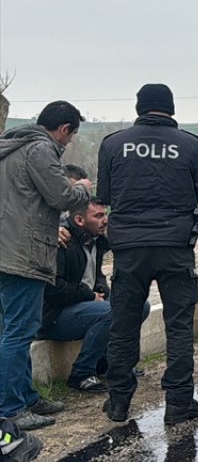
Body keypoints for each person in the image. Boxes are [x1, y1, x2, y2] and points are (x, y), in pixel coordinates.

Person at [99, 84, 198, 426]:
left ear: (139, 107)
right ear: (171, 108)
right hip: (175, 248)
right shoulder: (193, 146)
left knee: (123, 326)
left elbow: (104, 194)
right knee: (179, 326)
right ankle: (179, 403)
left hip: (129, 250)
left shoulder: (112, 144)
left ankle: (119, 403)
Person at [0, 101, 92, 431]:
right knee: (18, 330)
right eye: (71, 136)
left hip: (7, 250)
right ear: (64, 129)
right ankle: (11, 409)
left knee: (16, 326)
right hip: (22, 253)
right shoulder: (40, 148)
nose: (68, 143)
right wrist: (81, 189)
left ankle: (25, 396)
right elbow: (61, 197)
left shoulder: (12, 146)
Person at [41, 198, 152, 392]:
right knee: (112, 311)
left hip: (84, 306)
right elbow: (54, 289)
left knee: (139, 305)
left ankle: (110, 363)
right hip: (54, 315)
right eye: (98, 216)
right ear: (79, 220)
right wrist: (90, 296)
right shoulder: (62, 242)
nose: (105, 220)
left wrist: (100, 289)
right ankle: (81, 374)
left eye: (105, 214)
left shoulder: (97, 241)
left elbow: (96, 275)